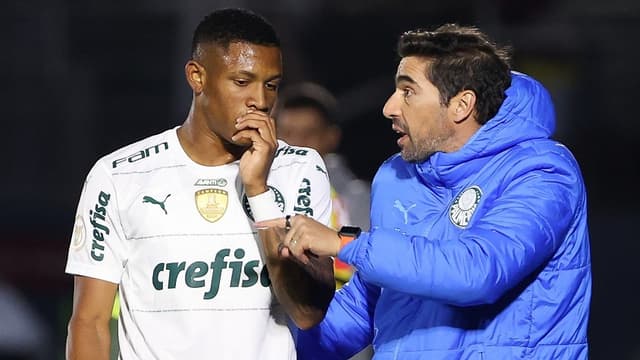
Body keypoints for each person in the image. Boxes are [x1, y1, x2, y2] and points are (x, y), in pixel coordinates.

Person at [262, 24, 591, 359]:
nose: (389, 107)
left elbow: (479, 273)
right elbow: (367, 303)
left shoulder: (543, 171)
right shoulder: (397, 176)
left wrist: (342, 242)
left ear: (462, 105)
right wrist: (266, 347)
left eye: (408, 91)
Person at [64, 8, 335, 360]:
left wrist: (258, 191)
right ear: (197, 77)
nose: (261, 101)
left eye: (271, 85)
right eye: (242, 82)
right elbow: (90, 322)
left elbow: (306, 311)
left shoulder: (300, 168)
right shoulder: (118, 175)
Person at [275, 82, 371, 287]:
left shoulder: (358, 198)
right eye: (288, 132)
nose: (297, 144)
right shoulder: (259, 192)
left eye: (309, 133)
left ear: (331, 137)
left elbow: (366, 261)